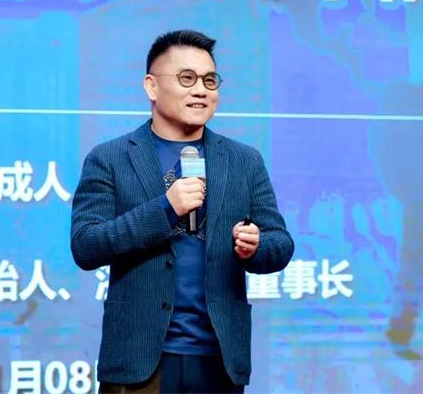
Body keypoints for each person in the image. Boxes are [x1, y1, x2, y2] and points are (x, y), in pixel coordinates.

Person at [71, 30, 294, 393]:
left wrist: (256, 246)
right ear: (151, 86)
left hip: (219, 358)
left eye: (210, 81)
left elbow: (280, 244)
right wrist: (165, 209)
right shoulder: (111, 158)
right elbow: (85, 245)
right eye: (187, 78)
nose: (201, 90)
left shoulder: (243, 161)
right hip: (139, 359)